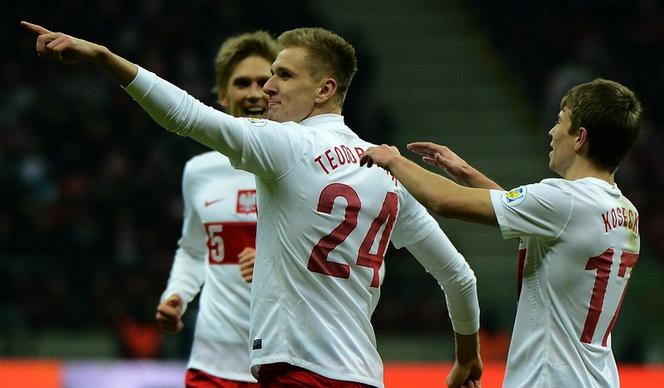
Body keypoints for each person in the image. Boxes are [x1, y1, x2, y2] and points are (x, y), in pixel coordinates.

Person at [23, 21, 482, 388]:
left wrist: (104, 58)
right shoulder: (389, 174)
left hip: (298, 370)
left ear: (324, 90)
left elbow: (185, 115)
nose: (267, 88)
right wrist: (467, 356)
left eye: (283, 75)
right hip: (362, 374)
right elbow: (459, 276)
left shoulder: (286, 146)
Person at [360, 78, 643, 387]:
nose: (552, 132)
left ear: (580, 138)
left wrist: (394, 161)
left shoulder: (566, 200)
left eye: (560, 121)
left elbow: (443, 201)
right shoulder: (625, 211)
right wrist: (466, 173)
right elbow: (538, 221)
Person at [154, 31, 279, 387]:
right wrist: (176, 294)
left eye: (264, 82)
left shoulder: (307, 168)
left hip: (284, 364)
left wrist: (277, 261)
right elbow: (194, 250)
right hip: (213, 364)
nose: (255, 92)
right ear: (223, 95)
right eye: (242, 83)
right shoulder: (199, 171)